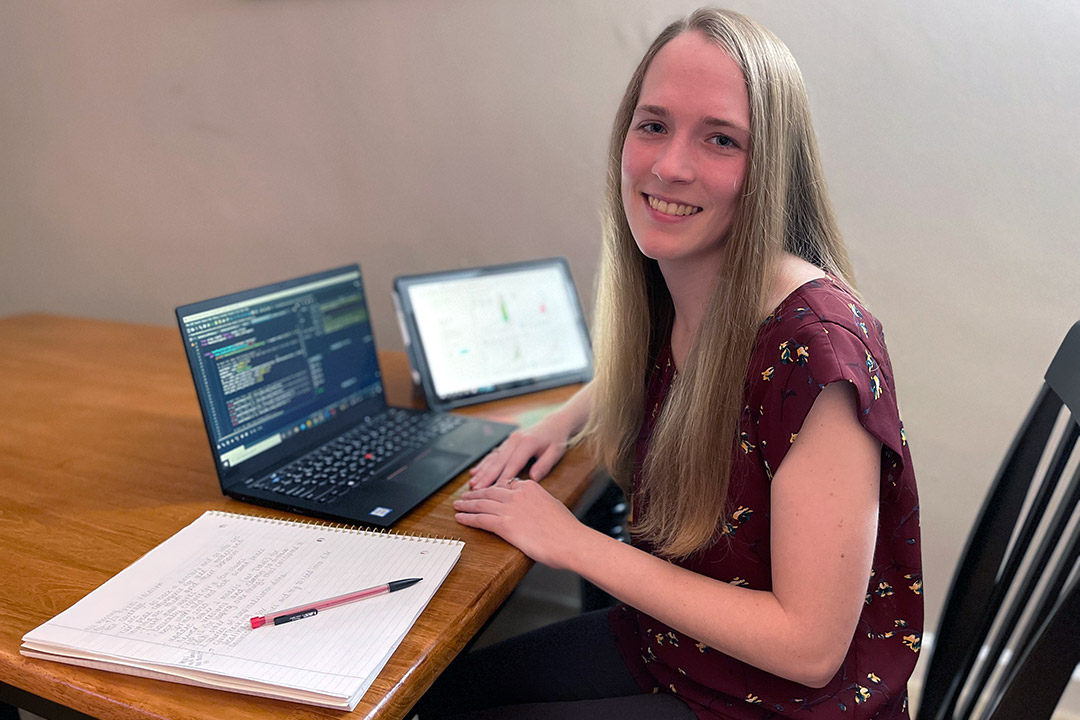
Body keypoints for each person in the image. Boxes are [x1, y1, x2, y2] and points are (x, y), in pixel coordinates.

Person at [418, 7, 922, 719]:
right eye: (653, 125)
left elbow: (809, 646)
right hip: (677, 646)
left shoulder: (817, 350)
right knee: (440, 695)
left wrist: (572, 544)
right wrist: (558, 422)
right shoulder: (691, 281)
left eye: (720, 139)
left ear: (770, 167)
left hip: (770, 701)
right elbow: (676, 368)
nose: (670, 165)